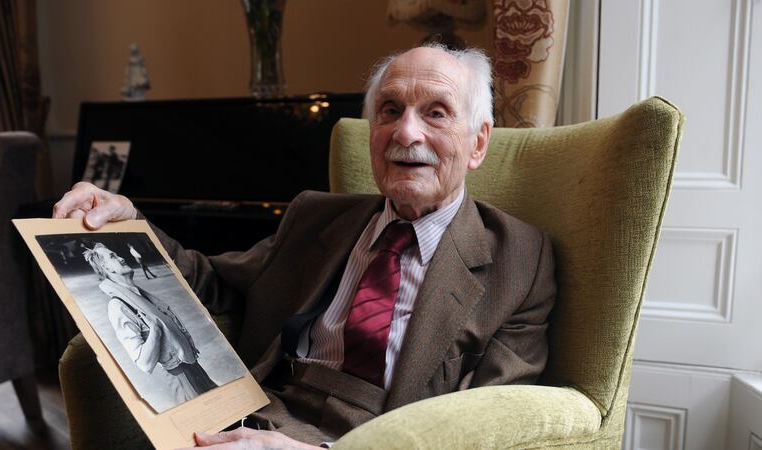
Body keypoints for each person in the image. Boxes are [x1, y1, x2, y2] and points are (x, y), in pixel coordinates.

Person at [54, 44, 556, 449]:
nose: (406, 132)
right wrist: (129, 224)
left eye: (437, 113)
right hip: (252, 416)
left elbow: (491, 423)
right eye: (389, 110)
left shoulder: (521, 259)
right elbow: (212, 284)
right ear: (372, 133)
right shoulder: (317, 216)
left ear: (479, 143)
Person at [83, 242, 218, 404]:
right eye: (113, 256)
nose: (121, 257)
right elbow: (144, 362)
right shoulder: (118, 306)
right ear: (108, 269)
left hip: (193, 367)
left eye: (116, 254)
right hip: (181, 378)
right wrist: (155, 331)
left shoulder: (140, 295)